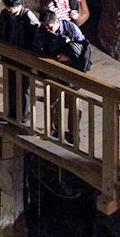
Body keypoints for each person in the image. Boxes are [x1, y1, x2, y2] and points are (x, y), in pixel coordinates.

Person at [31, 9, 92, 142]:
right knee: (54, 100)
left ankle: (74, 133)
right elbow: (36, 49)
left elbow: (83, 46)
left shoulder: (70, 27)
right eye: (44, 26)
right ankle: (55, 129)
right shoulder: (42, 32)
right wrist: (54, 58)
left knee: (74, 103)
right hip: (53, 71)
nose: (48, 29)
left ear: (56, 21)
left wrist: (69, 55)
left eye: (50, 26)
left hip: (72, 72)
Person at [0, 0, 39, 123]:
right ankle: (11, 113)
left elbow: (36, 36)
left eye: (11, 8)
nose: (9, 10)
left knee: (23, 88)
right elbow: (1, 29)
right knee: (10, 85)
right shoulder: (4, 14)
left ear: (18, 5)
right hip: (9, 54)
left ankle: (23, 115)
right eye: (7, 7)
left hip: (23, 57)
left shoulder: (28, 17)